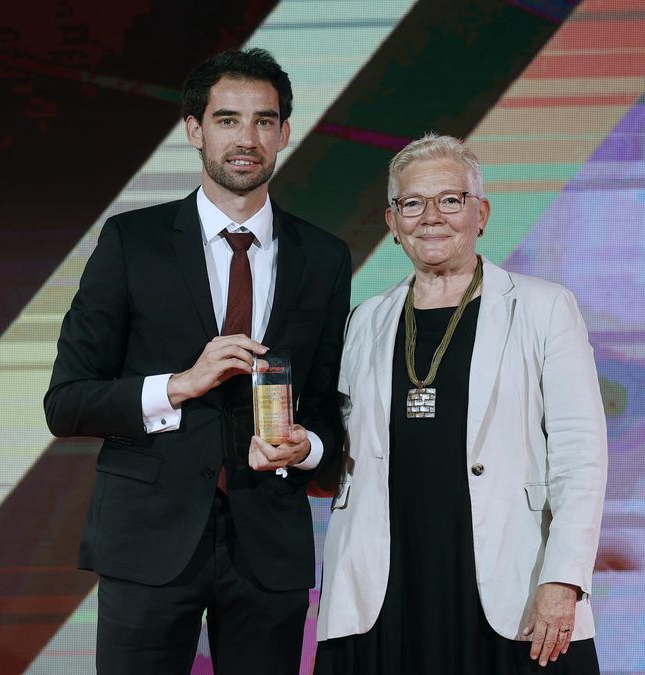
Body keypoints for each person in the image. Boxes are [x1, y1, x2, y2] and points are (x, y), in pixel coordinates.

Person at [45, 48, 351, 675]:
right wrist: (180, 386)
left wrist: (308, 448)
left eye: (264, 121)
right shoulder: (132, 243)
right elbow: (68, 401)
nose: (247, 138)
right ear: (194, 130)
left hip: (269, 543)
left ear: (285, 132)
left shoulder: (323, 257)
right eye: (227, 119)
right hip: (147, 540)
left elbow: (326, 400)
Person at [315, 134, 607, 673]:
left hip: (508, 577)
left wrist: (563, 578)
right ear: (391, 220)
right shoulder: (364, 320)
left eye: (450, 200)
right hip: (384, 581)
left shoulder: (543, 308)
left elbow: (580, 457)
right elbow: (344, 449)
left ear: (481, 213)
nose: (431, 217)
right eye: (412, 203)